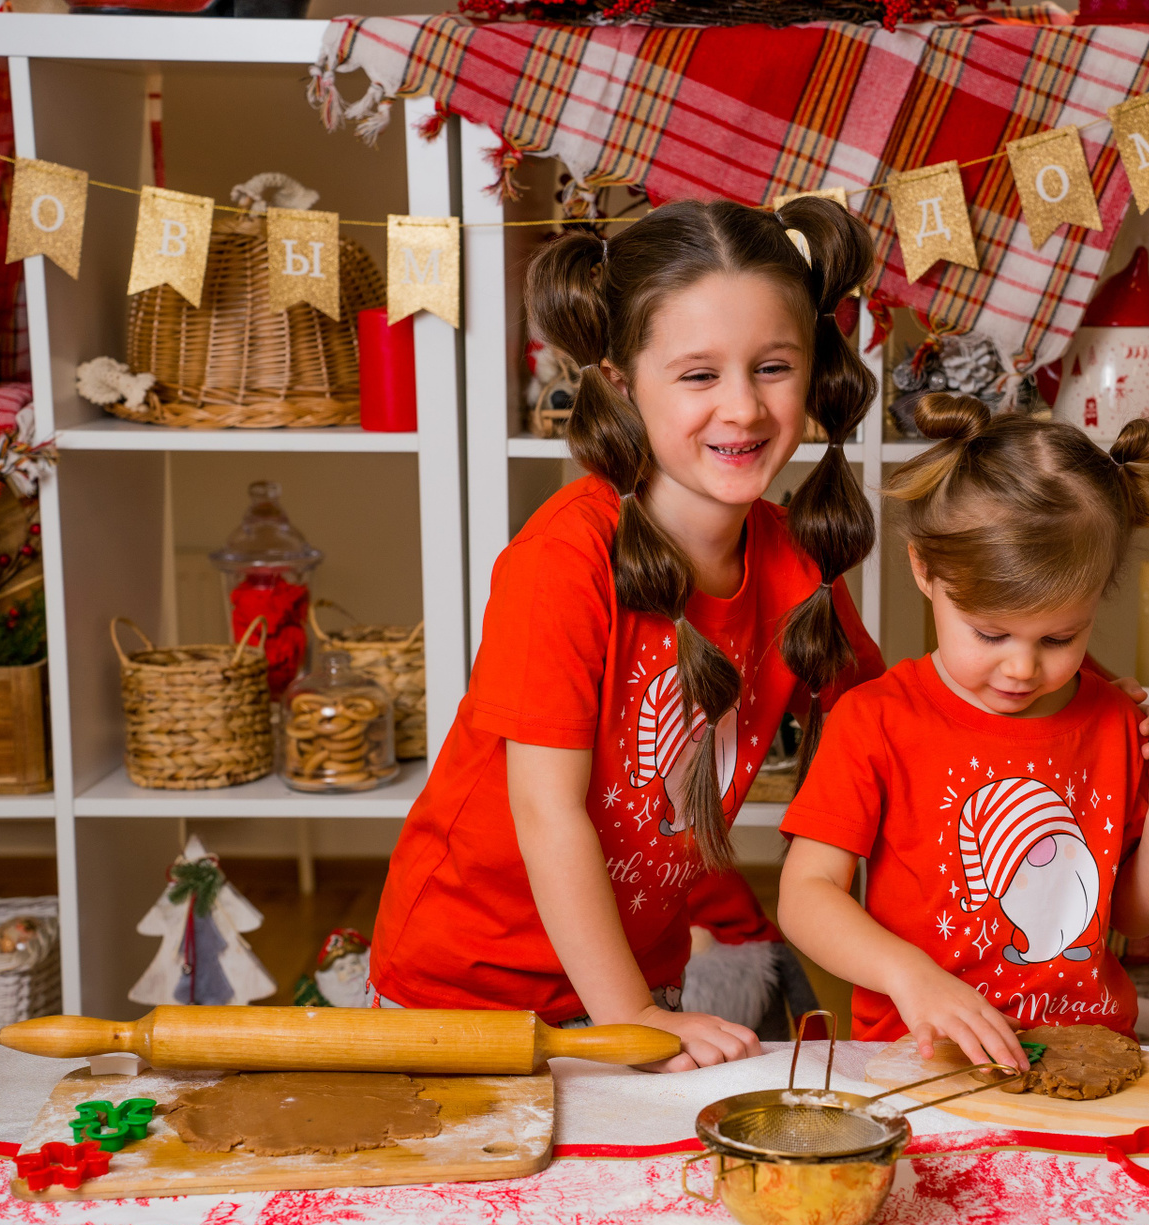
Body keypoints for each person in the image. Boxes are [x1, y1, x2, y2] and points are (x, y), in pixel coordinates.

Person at [368, 198, 883, 1071]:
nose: (743, 408)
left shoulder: (798, 563)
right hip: (465, 992)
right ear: (620, 383)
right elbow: (547, 812)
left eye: (772, 367)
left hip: (632, 981)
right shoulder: (563, 560)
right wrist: (631, 1018)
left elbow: (892, 722)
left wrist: (1078, 694)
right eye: (698, 375)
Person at [776, 393, 1149, 1073]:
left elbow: (1131, 917)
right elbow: (805, 897)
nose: (1022, 668)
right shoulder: (877, 720)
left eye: (1059, 638)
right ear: (926, 570)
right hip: (920, 1059)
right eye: (990, 633)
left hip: (1085, 1054)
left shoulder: (1115, 722)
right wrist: (911, 976)